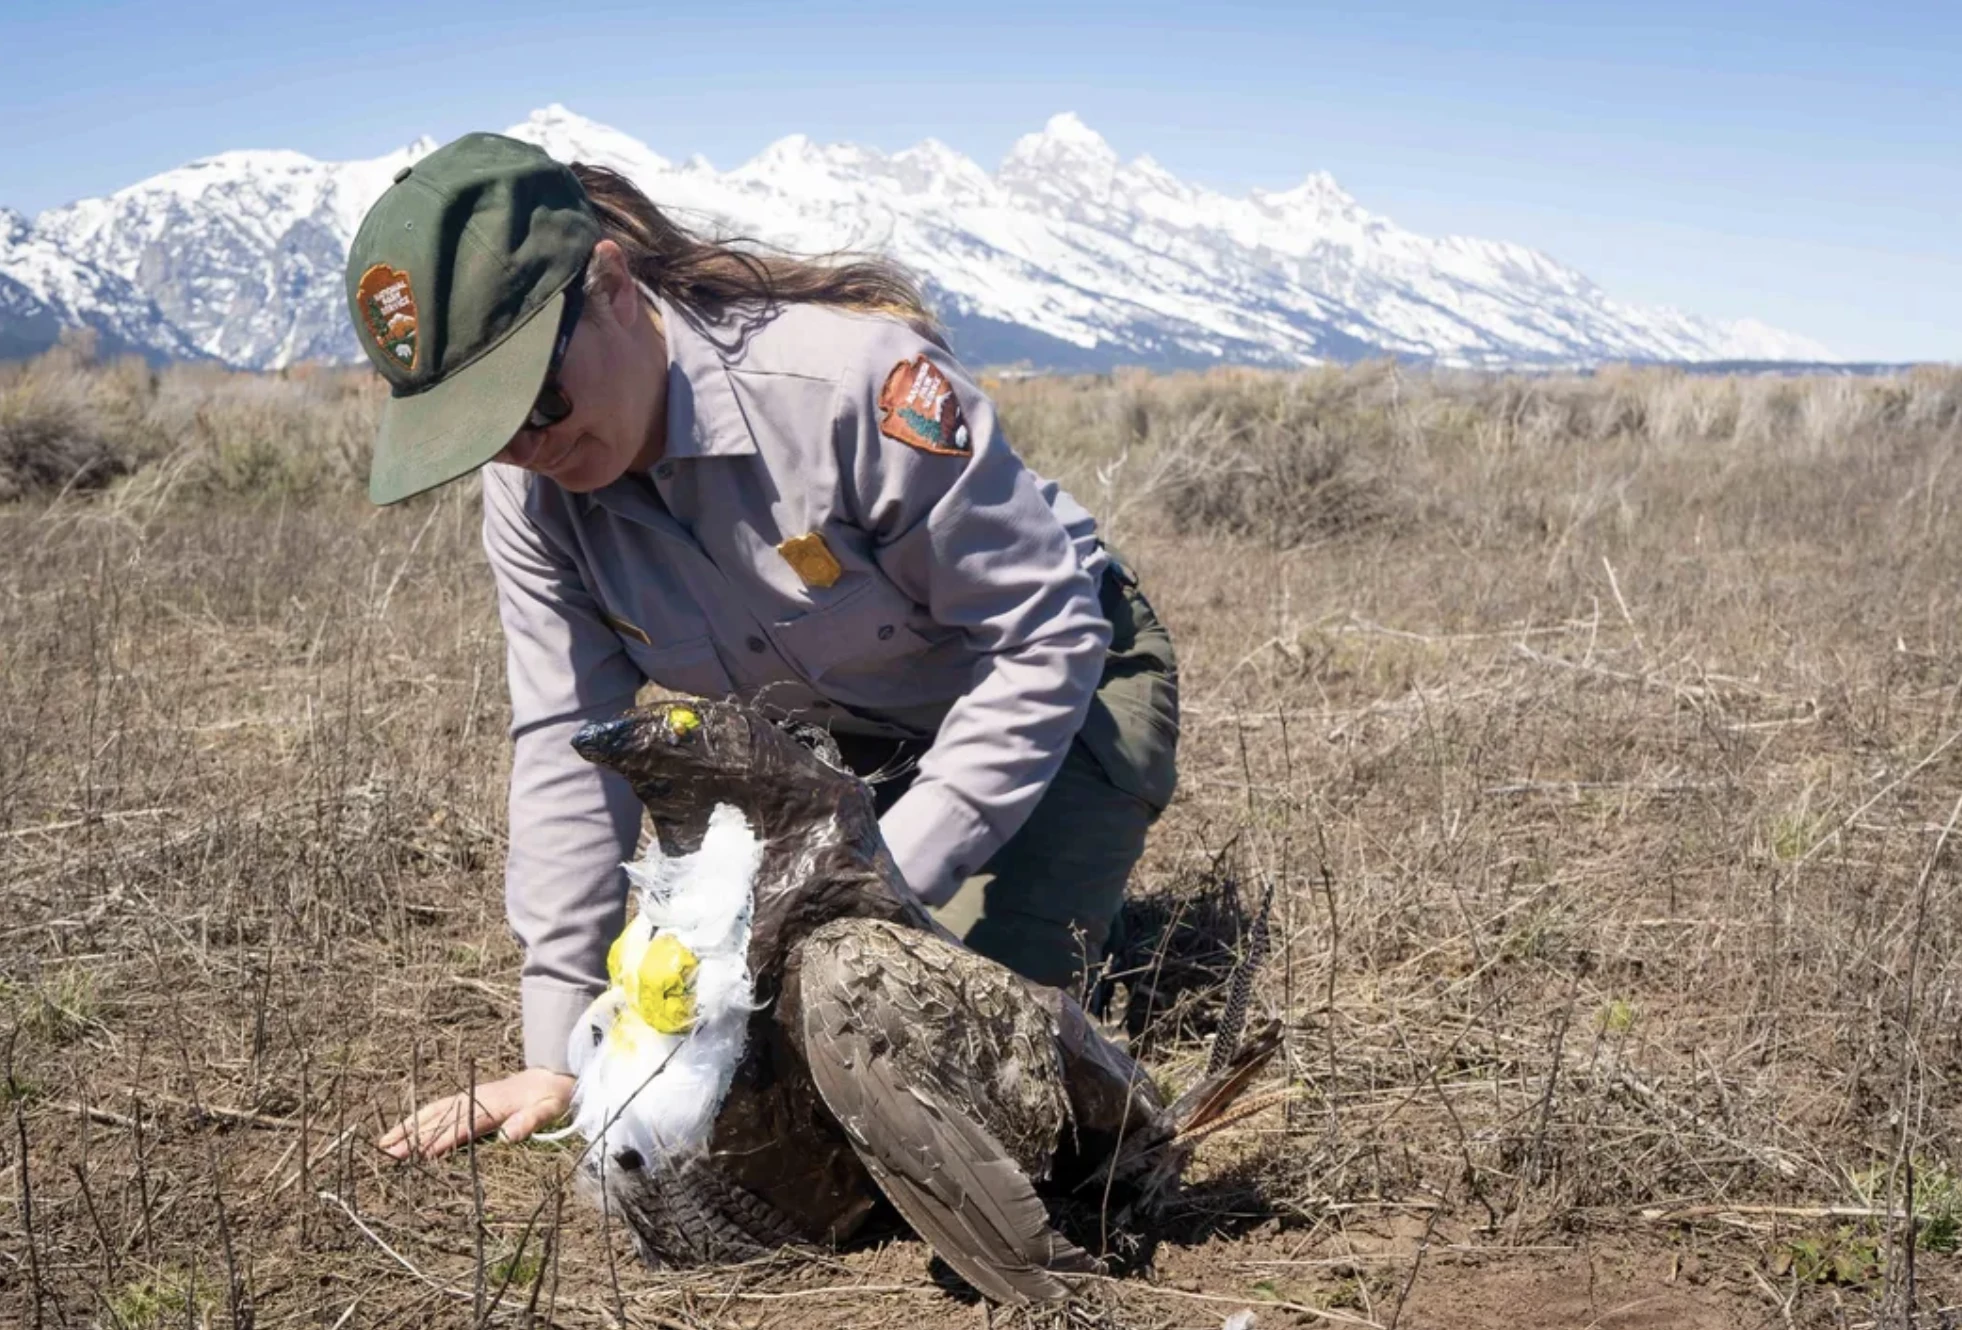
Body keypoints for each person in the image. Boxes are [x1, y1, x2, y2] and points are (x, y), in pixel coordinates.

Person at [350, 132, 1179, 1161]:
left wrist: (880, 881)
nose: (527, 446)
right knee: (756, 1027)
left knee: (931, 1040)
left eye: (536, 398)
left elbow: (1040, 636)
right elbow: (569, 737)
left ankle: (1066, 885)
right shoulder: (530, 491)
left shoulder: (847, 387)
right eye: (487, 428)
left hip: (1067, 677)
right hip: (845, 729)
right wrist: (558, 1043)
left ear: (608, 286)